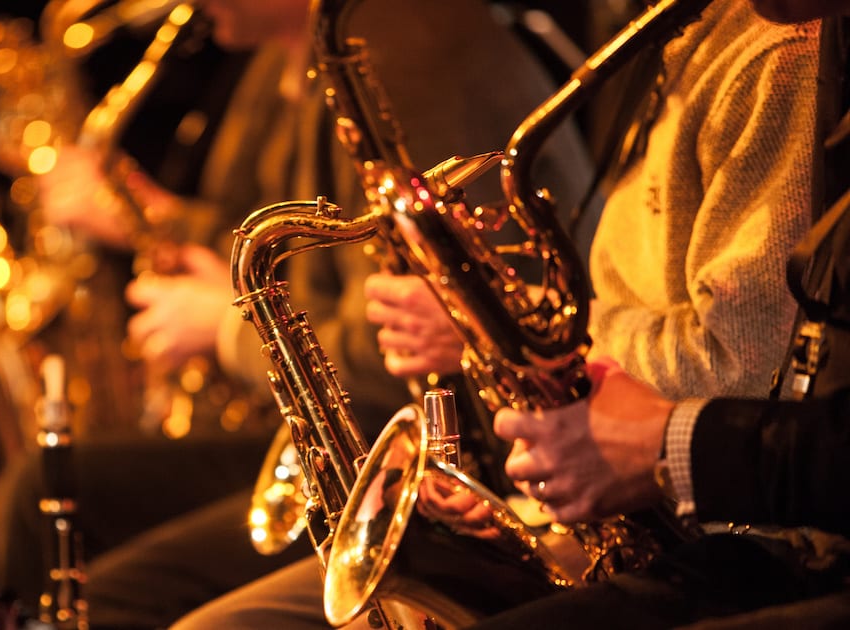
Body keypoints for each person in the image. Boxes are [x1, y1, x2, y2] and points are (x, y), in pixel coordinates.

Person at [173, 1, 829, 628]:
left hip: (713, 531)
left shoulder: (776, 46)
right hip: (608, 503)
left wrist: (503, 332)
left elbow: (752, 368)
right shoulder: (689, 36)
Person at [0, 0, 595, 628]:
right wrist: (164, 224)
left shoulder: (404, 52)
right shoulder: (307, 51)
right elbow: (310, 260)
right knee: (47, 499)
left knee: (96, 574)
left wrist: (223, 331)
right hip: (360, 438)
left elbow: (400, 354)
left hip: (452, 456)